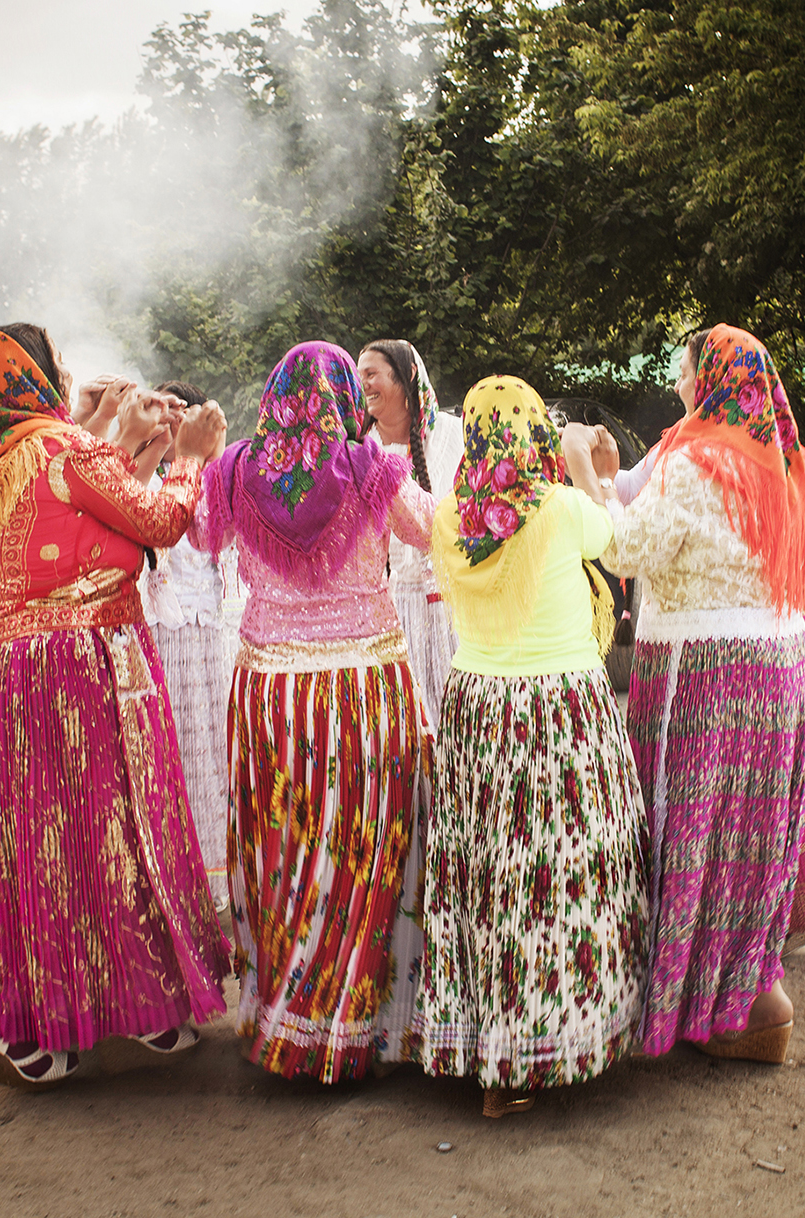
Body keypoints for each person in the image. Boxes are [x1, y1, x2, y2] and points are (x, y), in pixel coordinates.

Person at [0, 323, 231, 1090]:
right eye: (58, 366)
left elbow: (66, 513)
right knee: (116, 830)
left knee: (42, 839)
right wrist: (191, 458)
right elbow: (160, 524)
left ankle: (88, 1017)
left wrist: (100, 425)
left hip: (13, 668)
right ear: (34, 377)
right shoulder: (70, 452)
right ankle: (100, 1010)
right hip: (85, 663)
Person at [571, 323, 805, 1065]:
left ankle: (725, 1006)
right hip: (781, 668)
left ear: (714, 378)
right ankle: (755, 999)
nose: (676, 381)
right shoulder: (789, 464)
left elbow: (623, 546)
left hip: (705, 674)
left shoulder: (698, 459)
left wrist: (580, 475)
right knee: (749, 840)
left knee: (689, 830)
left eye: (686, 368)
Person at [193, 341, 435, 1082]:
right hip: (362, 691)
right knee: (362, 851)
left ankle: (284, 1017)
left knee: (285, 848)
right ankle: (358, 1025)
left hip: (271, 695)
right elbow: (436, 531)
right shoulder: (371, 469)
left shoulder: (234, 470)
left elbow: (202, 536)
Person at [411, 375, 650, 1119]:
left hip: (477, 708)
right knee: (561, 868)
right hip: (559, 708)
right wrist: (583, 465)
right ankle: (559, 1038)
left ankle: (493, 1058)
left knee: (488, 876)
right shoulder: (558, 506)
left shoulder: (451, 514)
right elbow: (622, 547)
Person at [139, 379, 244, 911]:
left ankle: (220, 883)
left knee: (220, 760)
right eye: (166, 411)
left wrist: (214, 458)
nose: (176, 421)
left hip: (214, 639)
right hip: (165, 641)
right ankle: (174, 888)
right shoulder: (144, 483)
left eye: (187, 412)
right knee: (173, 756)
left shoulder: (218, 479)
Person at [358, 340, 463, 723]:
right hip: (392, 612)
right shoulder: (360, 451)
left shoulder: (453, 436)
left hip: (455, 607)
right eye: (359, 375)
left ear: (405, 381)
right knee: (405, 721)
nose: (363, 383)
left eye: (372, 374)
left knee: (456, 715)